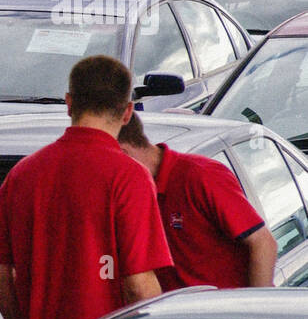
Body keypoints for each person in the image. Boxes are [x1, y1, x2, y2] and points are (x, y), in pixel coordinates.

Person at [0, 56, 173, 319]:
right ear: (127, 112)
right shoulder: (129, 178)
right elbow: (138, 284)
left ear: (69, 103)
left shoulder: (23, 173)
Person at [118, 112, 276, 291]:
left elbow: (263, 243)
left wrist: (254, 307)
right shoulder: (131, 194)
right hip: (174, 314)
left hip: (224, 311)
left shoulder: (200, 175)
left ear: (123, 154)